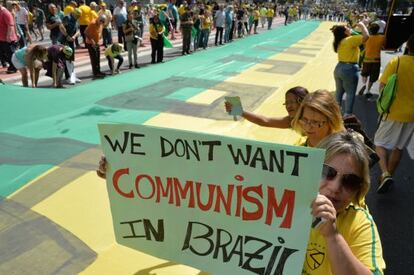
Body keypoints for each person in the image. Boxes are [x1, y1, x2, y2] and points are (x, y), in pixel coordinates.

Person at [302, 131, 385, 274]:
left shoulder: (359, 223)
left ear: (359, 190)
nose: (335, 188)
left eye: (350, 182)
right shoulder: (284, 206)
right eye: (327, 172)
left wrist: (332, 236)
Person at [374, 33, 414, 193]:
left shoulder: (396, 62)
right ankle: (388, 175)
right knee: (399, 147)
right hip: (411, 116)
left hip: (392, 111)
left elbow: (382, 86)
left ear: (408, 46)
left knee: (379, 143)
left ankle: (384, 174)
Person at [225, 86, 309, 129]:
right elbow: (265, 121)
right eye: (286, 103)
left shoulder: (314, 117)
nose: (288, 106)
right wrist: (241, 111)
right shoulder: (292, 121)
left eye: (291, 102)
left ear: (302, 102)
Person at [331, 21, 369, 116]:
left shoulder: (339, 42)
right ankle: (347, 114)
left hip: (339, 67)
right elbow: (366, 37)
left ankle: (335, 113)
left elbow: (357, 35)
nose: (349, 28)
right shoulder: (350, 40)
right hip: (350, 68)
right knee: (350, 93)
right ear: (345, 32)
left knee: (339, 93)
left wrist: (352, 31)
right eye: (347, 27)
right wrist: (362, 25)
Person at [358, 23, 385, 98]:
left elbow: (363, 45)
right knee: (373, 77)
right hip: (376, 61)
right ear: (378, 30)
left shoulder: (366, 38)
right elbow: (384, 46)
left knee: (365, 74)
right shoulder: (382, 37)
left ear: (370, 30)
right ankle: (368, 90)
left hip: (366, 60)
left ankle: (363, 84)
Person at [0, 2, 19, 74]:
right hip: (1, 38)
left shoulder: (5, 13)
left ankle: (14, 67)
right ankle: (12, 66)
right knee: (3, 54)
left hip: (8, 39)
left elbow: (11, 25)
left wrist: (8, 37)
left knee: (10, 54)